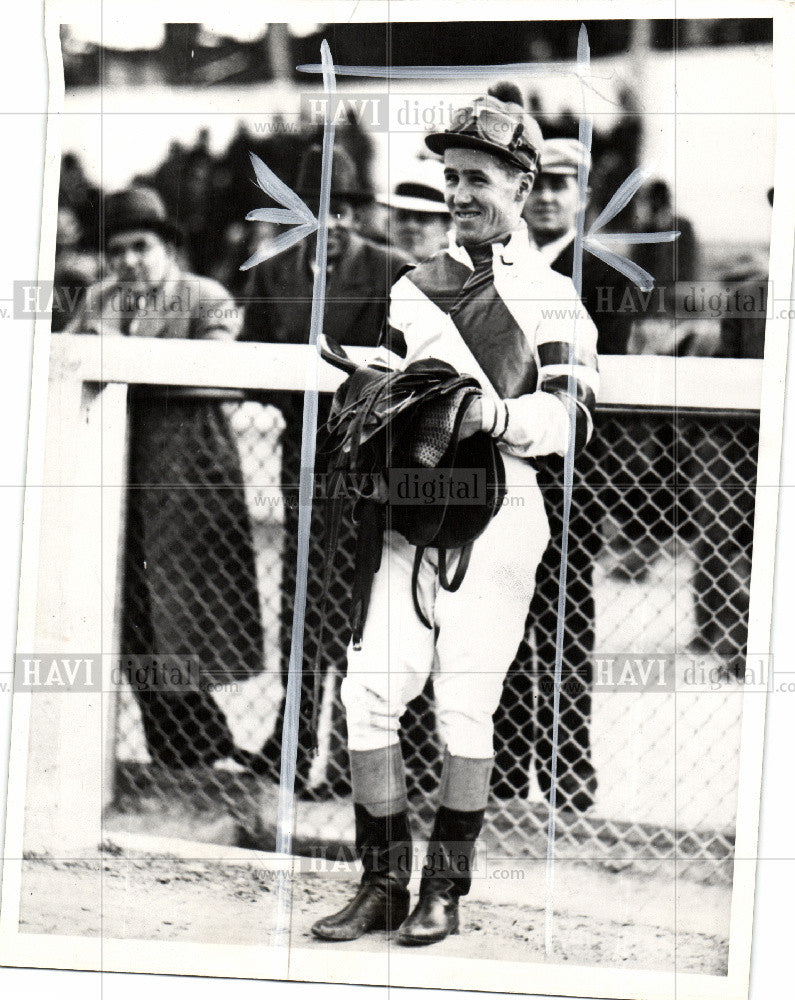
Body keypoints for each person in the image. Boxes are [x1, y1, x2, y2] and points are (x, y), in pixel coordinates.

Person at [311, 86, 599, 945]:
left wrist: (493, 415)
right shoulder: (411, 289)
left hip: (500, 509)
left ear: (520, 184)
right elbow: (393, 386)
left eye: (478, 177)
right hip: (409, 510)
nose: (461, 194)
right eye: (451, 178)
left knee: (463, 707)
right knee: (370, 693)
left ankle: (445, 889)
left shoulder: (552, 298)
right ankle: (380, 883)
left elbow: (571, 419)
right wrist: (371, 385)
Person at [63, 186, 264, 768]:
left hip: (189, 474)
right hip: (119, 473)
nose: (128, 261)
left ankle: (204, 748)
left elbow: (216, 355)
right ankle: (182, 753)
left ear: (168, 247)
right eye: (118, 250)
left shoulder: (208, 295)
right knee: (135, 618)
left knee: (189, 612)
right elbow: (67, 356)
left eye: (141, 247)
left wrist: (121, 350)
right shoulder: (101, 298)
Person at [240, 145, 412, 793]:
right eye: (317, 212)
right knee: (298, 597)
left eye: (342, 211)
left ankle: (347, 753)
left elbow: (402, 365)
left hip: (370, 461)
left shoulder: (394, 270)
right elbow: (253, 359)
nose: (331, 224)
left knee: (359, 600)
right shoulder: (272, 271)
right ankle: (292, 731)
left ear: (358, 215)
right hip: (302, 459)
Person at [494, 138, 631, 809]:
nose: (548, 195)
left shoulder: (604, 272)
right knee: (504, 611)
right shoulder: (501, 265)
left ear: (582, 195)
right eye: (538, 183)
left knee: (566, 619)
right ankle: (508, 757)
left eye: (563, 184)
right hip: (507, 465)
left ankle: (567, 760)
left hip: (574, 472)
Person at [378, 159, 451, 263]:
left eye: (423, 218)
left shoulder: (463, 276)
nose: (411, 226)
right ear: (388, 224)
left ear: (447, 229)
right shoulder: (372, 273)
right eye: (403, 216)